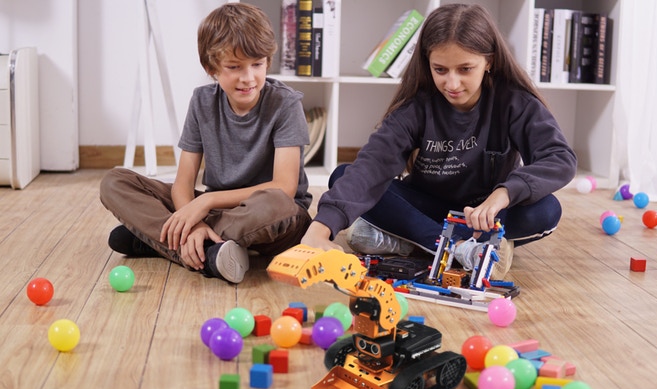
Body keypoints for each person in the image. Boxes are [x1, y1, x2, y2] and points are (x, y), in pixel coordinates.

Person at [301, 4, 577, 280]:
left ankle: (414, 241)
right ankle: (459, 249)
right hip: (425, 209)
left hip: (484, 215)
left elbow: (560, 158)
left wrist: (504, 193)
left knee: (547, 209)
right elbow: (372, 166)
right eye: (440, 69)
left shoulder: (515, 102)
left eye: (465, 69)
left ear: (489, 61)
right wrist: (319, 229)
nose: (452, 83)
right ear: (427, 63)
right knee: (343, 175)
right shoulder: (416, 108)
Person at [100, 3, 312, 284]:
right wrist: (196, 222)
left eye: (257, 64)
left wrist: (206, 201)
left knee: (275, 203)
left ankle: (166, 240)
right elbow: (183, 183)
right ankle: (207, 249)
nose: (248, 78)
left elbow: (284, 188)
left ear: (267, 61)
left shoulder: (286, 104)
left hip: (274, 218)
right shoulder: (201, 101)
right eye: (234, 67)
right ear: (211, 67)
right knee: (115, 181)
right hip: (220, 213)